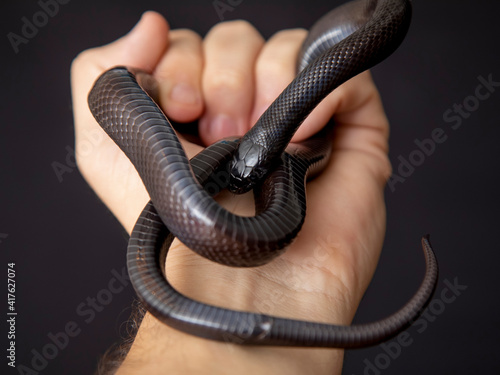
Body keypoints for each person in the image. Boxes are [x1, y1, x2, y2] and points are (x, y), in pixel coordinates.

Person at [71, 11, 392, 375]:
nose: (240, 182)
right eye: (240, 169)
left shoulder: (293, 156)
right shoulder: (273, 159)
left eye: (251, 172)